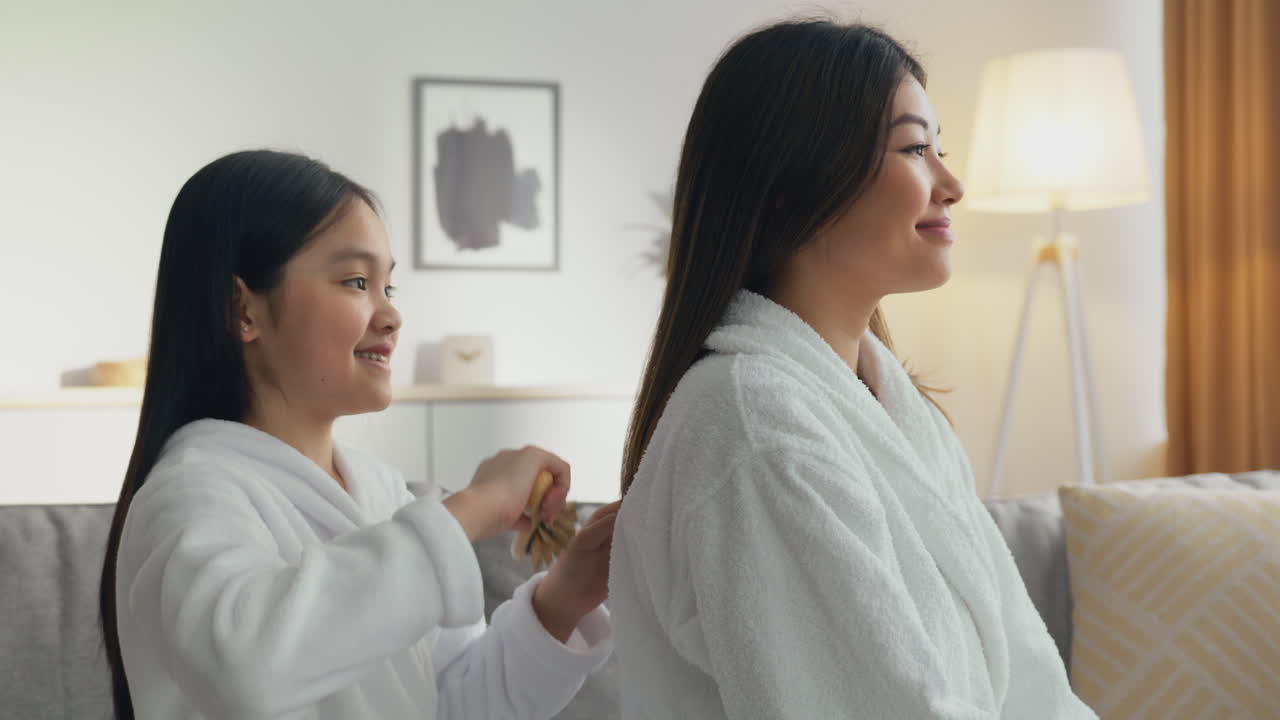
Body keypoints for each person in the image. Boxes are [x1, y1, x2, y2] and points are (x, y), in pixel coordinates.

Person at [609, 19, 1096, 719]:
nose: (951, 184)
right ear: (792, 185)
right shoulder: (754, 429)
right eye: (915, 149)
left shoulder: (895, 412)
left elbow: (1030, 682)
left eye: (940, 151)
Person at [99, 149, 618, 719]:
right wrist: (471, 509)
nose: (390, 316)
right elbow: (250, 669)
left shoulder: (384, 495)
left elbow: (454, 707)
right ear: (241, 309)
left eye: (388, 287)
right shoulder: (190, 493)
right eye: (355, 281)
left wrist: (563, 597)